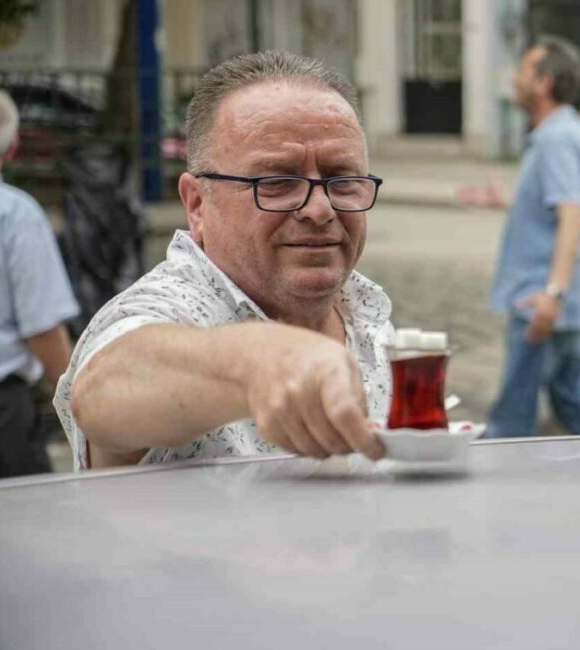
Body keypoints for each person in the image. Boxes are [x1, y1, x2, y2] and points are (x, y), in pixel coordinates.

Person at [54, 51, 390, 469]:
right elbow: (103, 391)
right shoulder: (172, 307)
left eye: (343, 180)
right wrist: (260, 360)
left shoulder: (369, 315)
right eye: (277, 182)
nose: (319, 209)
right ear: (197, 204)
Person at [482, 36, 580, 437]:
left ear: (544, 82)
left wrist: (553, 295)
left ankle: (494, 496)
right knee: (576, 403)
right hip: (559, 303)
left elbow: (572, 215)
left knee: (509, 422)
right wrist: (511, 203)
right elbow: (558, 209)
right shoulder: (568, 131)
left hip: (540, 303)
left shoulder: (556, 139)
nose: (515, 78)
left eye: (525, 70)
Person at [0, 89, 79, 478]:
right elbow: (42, 328)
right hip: (0, 416)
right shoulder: (15, 214)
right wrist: (79, 397)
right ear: (13, 147)